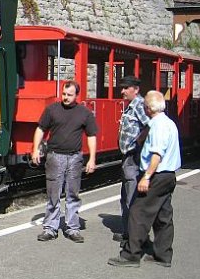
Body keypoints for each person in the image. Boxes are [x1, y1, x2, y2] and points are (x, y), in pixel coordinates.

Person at [108, 91, 181, 267]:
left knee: (137, 213)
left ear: (148, 108)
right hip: (169, 175)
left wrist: (146, 177)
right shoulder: (168, 123)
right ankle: (163, 255)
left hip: (156, 175)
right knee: (163, 216)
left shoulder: (158, 127)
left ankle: (131, 255)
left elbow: (157, 154)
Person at [31, 80, 98, 242]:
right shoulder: (52, 110)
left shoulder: (85, 113)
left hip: (75, 157)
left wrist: (92, 159)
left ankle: (72, 228)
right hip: (55, 156)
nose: (66, 97)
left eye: (69, 95)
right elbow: (40, 129)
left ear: (76, 95)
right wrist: (35, 149)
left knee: (73, 193)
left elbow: (91, 136)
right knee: (53, 193)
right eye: (64, 94)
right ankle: (50, 228)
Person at [114, 75, 149, 243]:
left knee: (132, 196)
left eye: (125, 87)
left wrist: (138, 142)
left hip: (133, 157)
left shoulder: (139, 105)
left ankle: (134, 237)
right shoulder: (131, 105)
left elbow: (150, 125)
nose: (122, 91)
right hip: (127, 157)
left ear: (135, 89)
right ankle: (128, 231)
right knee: (125, 194)